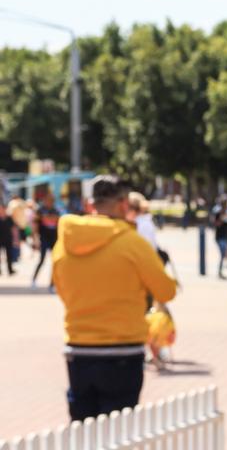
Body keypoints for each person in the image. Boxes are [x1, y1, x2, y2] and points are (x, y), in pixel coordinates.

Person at [52, 175, 178, 421]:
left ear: (90, 205)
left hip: (78, 349)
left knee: (84, 432)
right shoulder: (132, 243)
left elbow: (62, 290)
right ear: (123, 205)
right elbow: (166, 291)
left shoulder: (64, 243)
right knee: (117, 434)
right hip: (122, 350)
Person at [31, 195, 60, 287]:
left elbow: (58, 222)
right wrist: (35, 238)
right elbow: (35, 225)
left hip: (53, 239)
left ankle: (52, 283)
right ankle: (34, 280)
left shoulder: (56, 210)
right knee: (42, 260)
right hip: (43, 238)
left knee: (55, 262)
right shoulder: (40, 210)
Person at [213, 208, 227, 279]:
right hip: (220, 238)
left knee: (225, 254)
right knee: (222, 254)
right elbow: (216, 224)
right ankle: (220, 272)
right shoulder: (218, 214)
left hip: (226, 237)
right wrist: (221, 218)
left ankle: (221, 270)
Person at [1, 199, 19, 275]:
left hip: (8, 239)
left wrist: (16, 239)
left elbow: (14, 229)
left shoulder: (9, 218)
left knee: (9, 255)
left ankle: (10, 269)